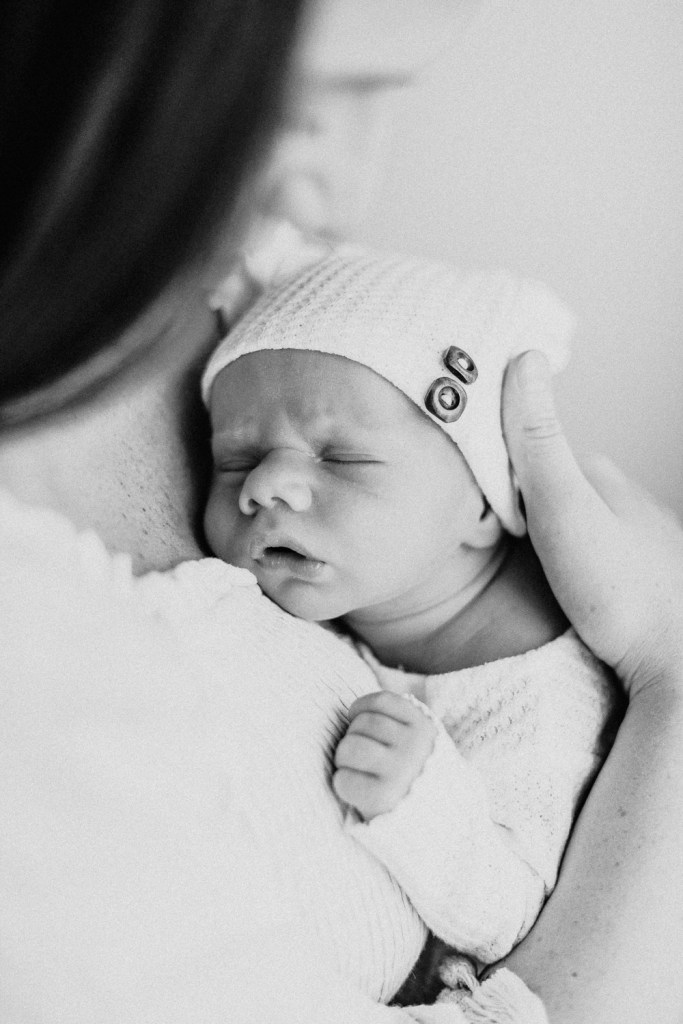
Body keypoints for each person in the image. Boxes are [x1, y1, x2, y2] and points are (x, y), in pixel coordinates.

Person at [0, 2, 682, 1022]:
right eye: (306, 94)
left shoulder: (255, 289)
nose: (344, 194)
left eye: (383, 86)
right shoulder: (49, 718)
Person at [200, 240, 621, 983]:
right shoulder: (372, 595)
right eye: (232, 459)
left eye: (340, 458)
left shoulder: (536, 697)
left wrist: (422, 801)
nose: (265, 487)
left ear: (484, 506)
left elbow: (514, 915)